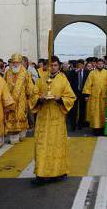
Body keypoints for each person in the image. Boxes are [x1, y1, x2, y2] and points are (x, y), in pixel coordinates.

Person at [30, 56, 76, 184]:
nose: (53, 68)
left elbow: (71, 97)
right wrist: (40, 99)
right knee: (41, 145)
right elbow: (34, 94)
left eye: (55, 65)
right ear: (47, 66)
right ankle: (41, 173)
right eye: (51, 65)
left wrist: (59, 99)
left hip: (57, 118)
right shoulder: (41, 79)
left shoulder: (63, 79)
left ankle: (58, 172)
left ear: (59, 66)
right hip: (43, 118)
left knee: (57, 145)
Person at [4, 53, 35, 144]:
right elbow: (4, 85)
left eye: (17, 62)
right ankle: (13, 137)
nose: (15, 64)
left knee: (21, 116)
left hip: (21, 99)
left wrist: (30, 95)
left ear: (20, 62)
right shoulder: (7, 73)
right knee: (11, 117)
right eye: (13, 62)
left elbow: (30, 87)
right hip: (10, 99)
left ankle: (21, 133)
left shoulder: (25, 73)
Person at [82, 57, 107, 135]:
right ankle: (95, 128)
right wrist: (86, 95)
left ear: (104, 64)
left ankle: (104, 128)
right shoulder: (92, 73)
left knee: (104, 112)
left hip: (104, 96)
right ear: (96, 64)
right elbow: (88, 84)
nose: (100, 65)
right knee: (95, 112)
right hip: (94, 96)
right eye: (99, 64)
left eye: (101, 63)